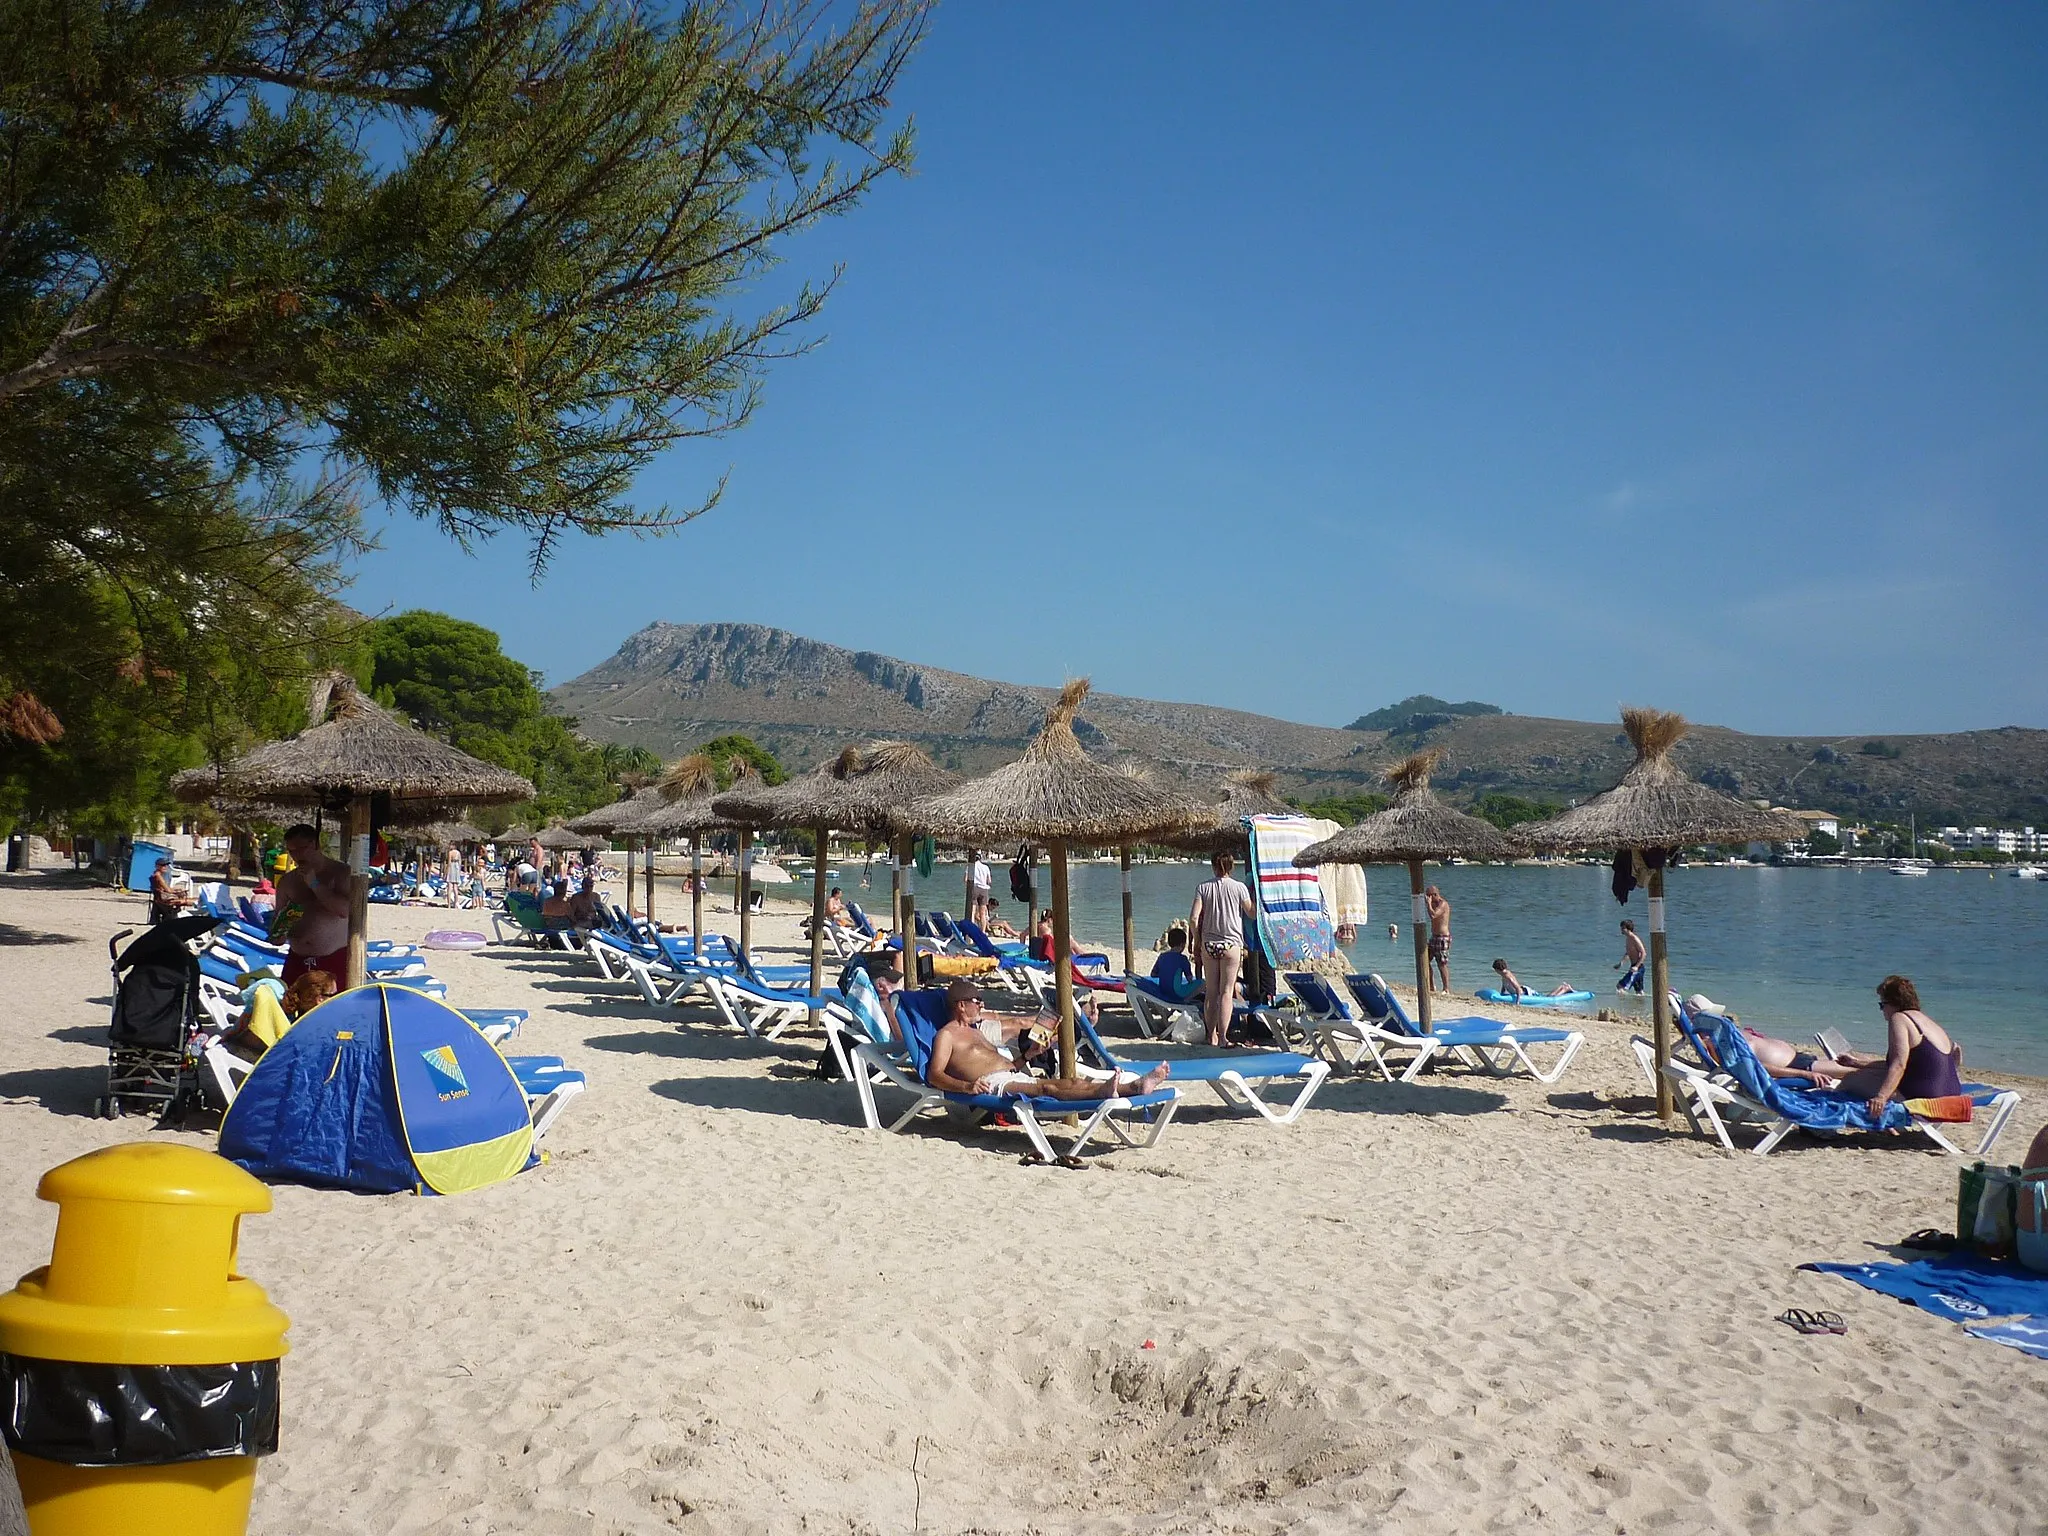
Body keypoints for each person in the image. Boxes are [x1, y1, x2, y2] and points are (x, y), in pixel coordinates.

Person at [924, 981, 1168, 1101]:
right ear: (961, 1005)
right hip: (993, 1086)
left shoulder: (975, 1031)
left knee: (1066, 1081)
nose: (981, 1005)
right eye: (977, 1001)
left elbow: (1005, 1065)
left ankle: (1132, 1088)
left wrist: (1027, 1056)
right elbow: (934, 1075)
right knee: (1046, 1089)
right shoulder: (947, 1035)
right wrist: (967, 1087)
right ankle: (1124, 1090)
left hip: (1011, 1076)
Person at [1826, 976, 1964, 1121]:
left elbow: (1899, 1064)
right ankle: (1888, 1125)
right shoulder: (1926, 1021)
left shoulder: (1899, 1018)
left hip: (1928, 1095)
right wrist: (1856, 1063)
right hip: (1951, 1092)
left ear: (1894, 1003)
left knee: (1850, 1081)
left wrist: (1881, 1097)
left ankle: (1834, 1124)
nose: (1882, 1010)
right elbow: (1904, 1063)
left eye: (1882, 1004)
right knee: (1866, 1076)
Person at [1190, 852, 1254, 1048]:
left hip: (1209, 944)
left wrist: (1198, 941)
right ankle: (1224, 1037)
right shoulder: (1240, 888)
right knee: (1226, 992)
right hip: (1231, 943)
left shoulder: (1203, 887)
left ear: (1213, 866)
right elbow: (1251, 913)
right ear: (1232, 866)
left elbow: (1193, 918)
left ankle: (1211, 1036)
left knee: (1211, 992)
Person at [274, 824, 353, 985]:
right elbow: (277, 923)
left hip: (332, 957)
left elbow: (345, 910)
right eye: (291, 851)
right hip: (296, 959)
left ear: (316, 844)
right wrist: (279, 932)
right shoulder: (287, 881)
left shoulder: (341, 873)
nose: (297, 855)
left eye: (302, 848)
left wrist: (314, 884)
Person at [1148, 927, 1200, 1002]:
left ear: (1169, 943)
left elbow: (1153, 974)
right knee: (1203, 983)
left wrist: (1166, 973)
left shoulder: (1162, 956)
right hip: (1176, 993)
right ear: (1183, 944)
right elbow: (1189, 979)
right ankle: (1186, 999)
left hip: (1163, 991)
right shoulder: (1183, 959)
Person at [1490, 959, 1576, 999]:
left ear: (1497, 969)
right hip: (1523, 990)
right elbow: (1504, 985)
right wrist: (1501, 995)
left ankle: (1565, 988)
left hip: (1525, 993)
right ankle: (1563, 987)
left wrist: (1518, 1002)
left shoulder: (1508, 975)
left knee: (1549, 998)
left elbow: (1517, 988)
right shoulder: (1503, 974)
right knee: (1547, 996)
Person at [1425, 885, 1452, 993]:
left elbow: (1433, 915)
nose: (1428, 898)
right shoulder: (1433, 904)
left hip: (1442, 937)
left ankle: (1446, 988)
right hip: (1434, 936)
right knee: (1425, 960)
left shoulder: (1442, 904)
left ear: (1435, 895)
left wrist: (1428, 904)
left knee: (1441, 963)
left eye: (1429, 896)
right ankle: (1431, 986)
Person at [1617, 918, 1646, 994]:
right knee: (1639, 992)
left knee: (1620, 986)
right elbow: (1628, 952)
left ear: (1628, 929)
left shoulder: (1634, 939)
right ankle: (1639, 1005)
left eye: (1623, 928)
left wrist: (1636, 966)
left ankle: (1622, 1005)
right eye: (1621, 928)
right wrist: (1621, 962)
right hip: (1634, 967)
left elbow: (1643, 953)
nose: (1621, 930)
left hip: (1638, 968)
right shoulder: (1628, 939)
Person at [969, 853, 992, 926]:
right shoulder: (986, 867)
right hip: (984, 889)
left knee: (972, 912)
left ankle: (972, 930)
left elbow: (966, 879)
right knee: (983, 913)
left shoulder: (971, 867)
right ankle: (983, 932)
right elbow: (989, 881)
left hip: (974, 888)